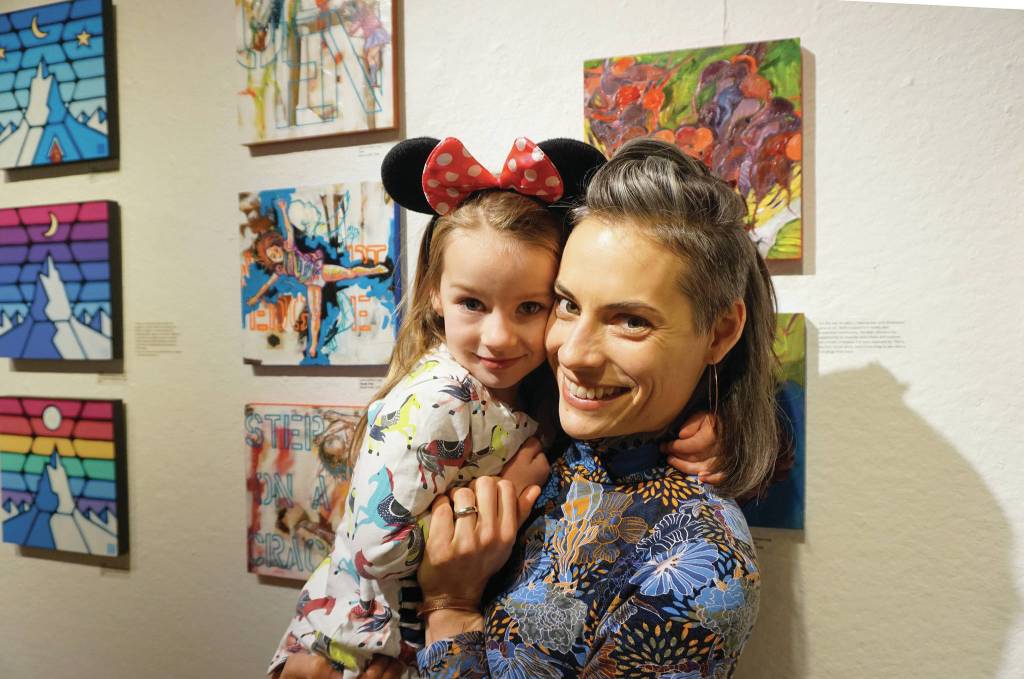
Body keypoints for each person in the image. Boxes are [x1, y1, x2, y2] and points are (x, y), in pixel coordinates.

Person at [270, 137, 727, 679]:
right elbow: (372, 548)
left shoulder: (538, 391)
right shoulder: (442, 401)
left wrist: (716, 422)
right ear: (434, 293)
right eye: (570, 305)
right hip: (359, 646)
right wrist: (497, 509)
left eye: (533, 306)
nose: (500, 337)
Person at [412, 136, 780, 677]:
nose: (572, 353)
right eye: (566, 304)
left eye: (631, 320)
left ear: (720, 332)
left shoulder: (700, 566)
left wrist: (450, 609)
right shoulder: (522, 419)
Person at [247, 198, 390, 359]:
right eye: (272, 256)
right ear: (272, 261)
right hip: (311, 284)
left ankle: (374, 269)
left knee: (350, 273)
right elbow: (267, 284)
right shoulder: (280, 269)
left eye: (274, 250)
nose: (276, 254)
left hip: (319, 270)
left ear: (278, 246)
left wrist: (283, 210)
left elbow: (288, 230)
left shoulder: (289, 248)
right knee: (315, 315)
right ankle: (313, 345)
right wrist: (256, 297)